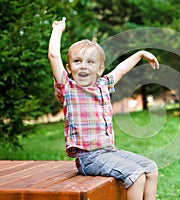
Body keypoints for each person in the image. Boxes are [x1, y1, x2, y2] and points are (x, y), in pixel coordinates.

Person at [48, 17, 159, 200]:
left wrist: (140, 54)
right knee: (136, 175)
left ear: (99, 69)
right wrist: (58, 30)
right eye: (77, 61)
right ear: (69, 68)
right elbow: (53, 56)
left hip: (109, 152)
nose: (83, 66)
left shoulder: (103, 85)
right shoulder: (68, 88)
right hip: (88, 158)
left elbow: (121, 69)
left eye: (90, 62)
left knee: (151, 168)